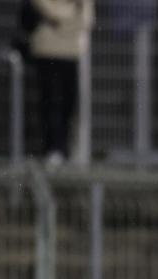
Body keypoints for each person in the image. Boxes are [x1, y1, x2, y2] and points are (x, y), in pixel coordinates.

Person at [28, 0, 94, 168]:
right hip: (48, 49)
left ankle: (64, 149)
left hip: (72, 51)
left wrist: (66, 19)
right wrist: (69, 16)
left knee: (69, 102)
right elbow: (48, 9)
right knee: (50, 100)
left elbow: (86, 17)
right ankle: (52, 149)